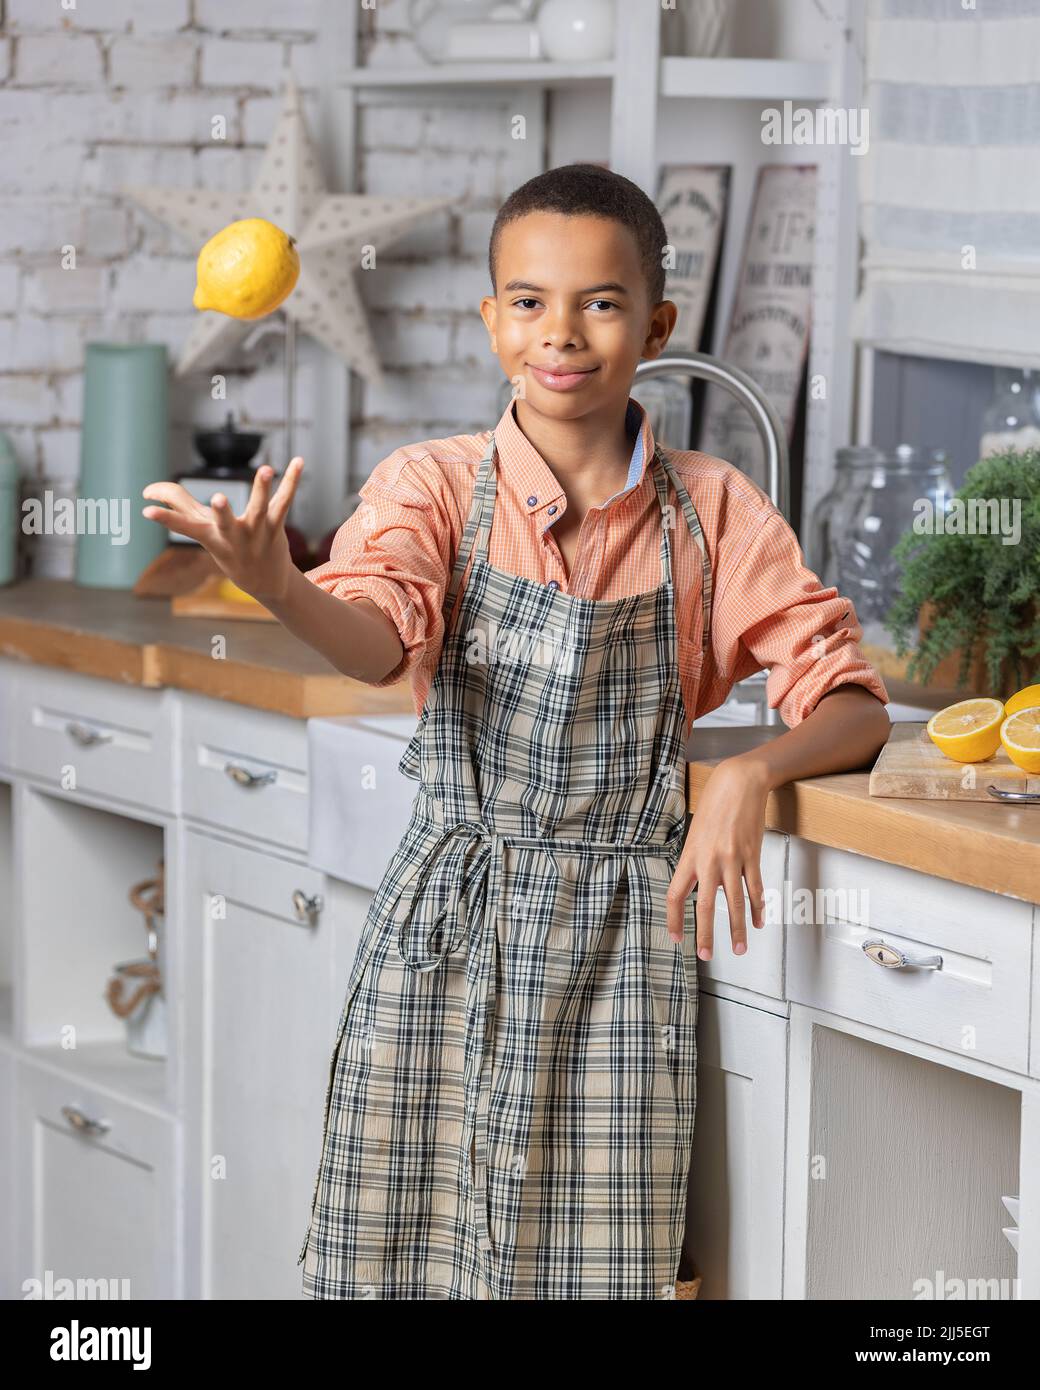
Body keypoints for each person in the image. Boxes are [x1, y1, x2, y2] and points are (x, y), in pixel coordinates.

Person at [143, 163, 891, 1301]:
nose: (564, 332)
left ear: (654, 324)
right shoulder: (434, 485)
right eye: (530, 301)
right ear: (492, 319)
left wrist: (748, 773)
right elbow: (378, 641)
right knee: (399, 1261)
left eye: (598, 302)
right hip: (445, 922)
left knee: (594, 1273)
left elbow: (850, 702)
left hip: (624, 950)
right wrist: (278, 584)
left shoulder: (716, 509)